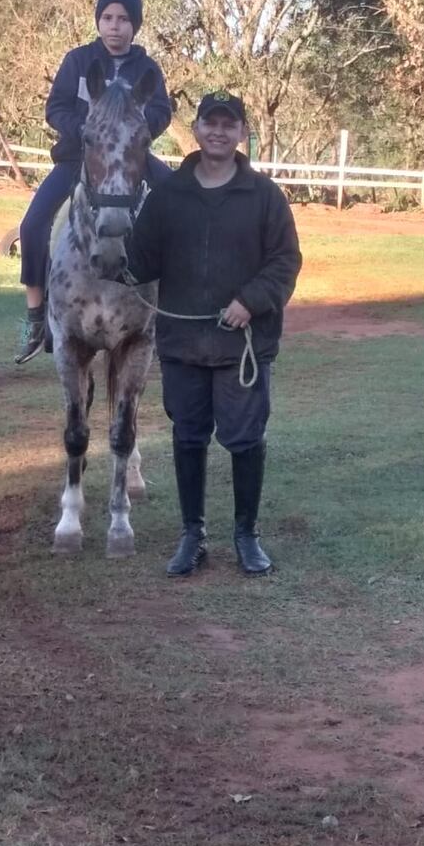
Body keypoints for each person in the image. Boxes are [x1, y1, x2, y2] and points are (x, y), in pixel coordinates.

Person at [123, 91, 302, 578]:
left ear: (242, 132)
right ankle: (192, 534)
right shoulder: (167, 196)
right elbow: (141, 261)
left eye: (229, 124)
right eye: (210, 123)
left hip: (241, 344)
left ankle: (247, 535)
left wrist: (251, 300)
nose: (219, 132)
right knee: (188, 437)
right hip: (183, 346)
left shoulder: (264, 195)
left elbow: (285, 261)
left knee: (244, 439)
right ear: (196, 129)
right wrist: (113, 239)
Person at [14, 0, 172, 364]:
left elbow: (162, 111)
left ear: (135, 25)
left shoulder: (147, 68)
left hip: (131, 158)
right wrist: (88, 129)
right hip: (78, 157)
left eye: (123, 19)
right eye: (107, 18)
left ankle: (169, 314)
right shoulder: (77, 61)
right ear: (98, 21)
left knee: (178, 205)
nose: (114, 26)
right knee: (32, 224)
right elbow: (56, 108)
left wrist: (133, 128)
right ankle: (36, 318)